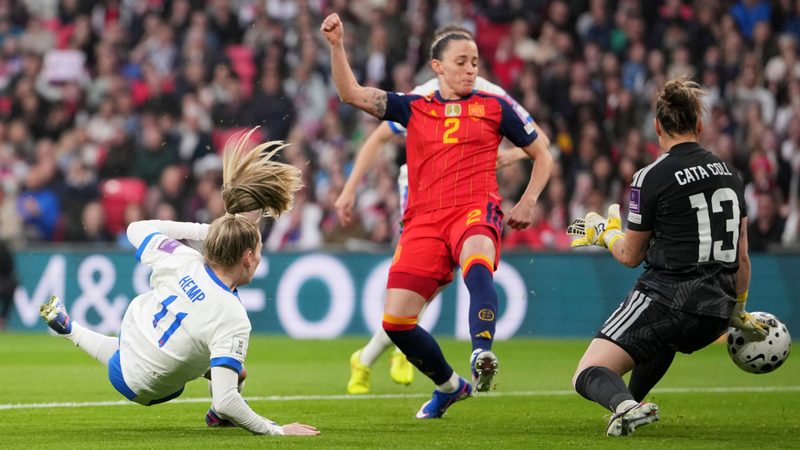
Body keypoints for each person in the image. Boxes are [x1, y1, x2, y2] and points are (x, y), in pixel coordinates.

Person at [322, 13, 553, 418]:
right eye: (462, 61)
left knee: (477, 260)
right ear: (438, 67)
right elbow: (352, 94)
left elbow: (542, 152)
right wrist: (337, 46)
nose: (470, 69)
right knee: (396, 322)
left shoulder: (496, 107)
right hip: (423, 220)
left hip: (474, 207)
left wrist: (530, 199)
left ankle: (482, 351)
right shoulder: (414, 107)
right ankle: (449, 386)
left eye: (475, 62)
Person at [39, 128, 320, 436]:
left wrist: (203, 230)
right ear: (248, 258)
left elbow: (137, 229)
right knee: (231, 371)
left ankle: (71, 329)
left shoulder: (182, 258)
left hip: (134, 343)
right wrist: (277, 430)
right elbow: (228, 400)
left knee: (184, 351)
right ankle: (214, 414)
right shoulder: (233, 316)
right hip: (152, 389)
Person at [568, 77, 770, 436]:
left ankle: (626, 405)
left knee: (587, 373)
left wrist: (605, 233)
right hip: (715, 315)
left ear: (657, 125)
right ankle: (629, 406)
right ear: (700, 125)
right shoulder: (730, 176)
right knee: (662, 340)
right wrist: (738, 309)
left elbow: (631, 256)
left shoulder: (651, 176)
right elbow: (743, 257)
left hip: (667, 299)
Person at [0, 240, 18, 332]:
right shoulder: (3, 248)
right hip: (4, 281)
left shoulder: (3, 248)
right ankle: (2, 322)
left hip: (4, 281)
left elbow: (9, 267)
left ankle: (2, 322)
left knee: (9, 293)